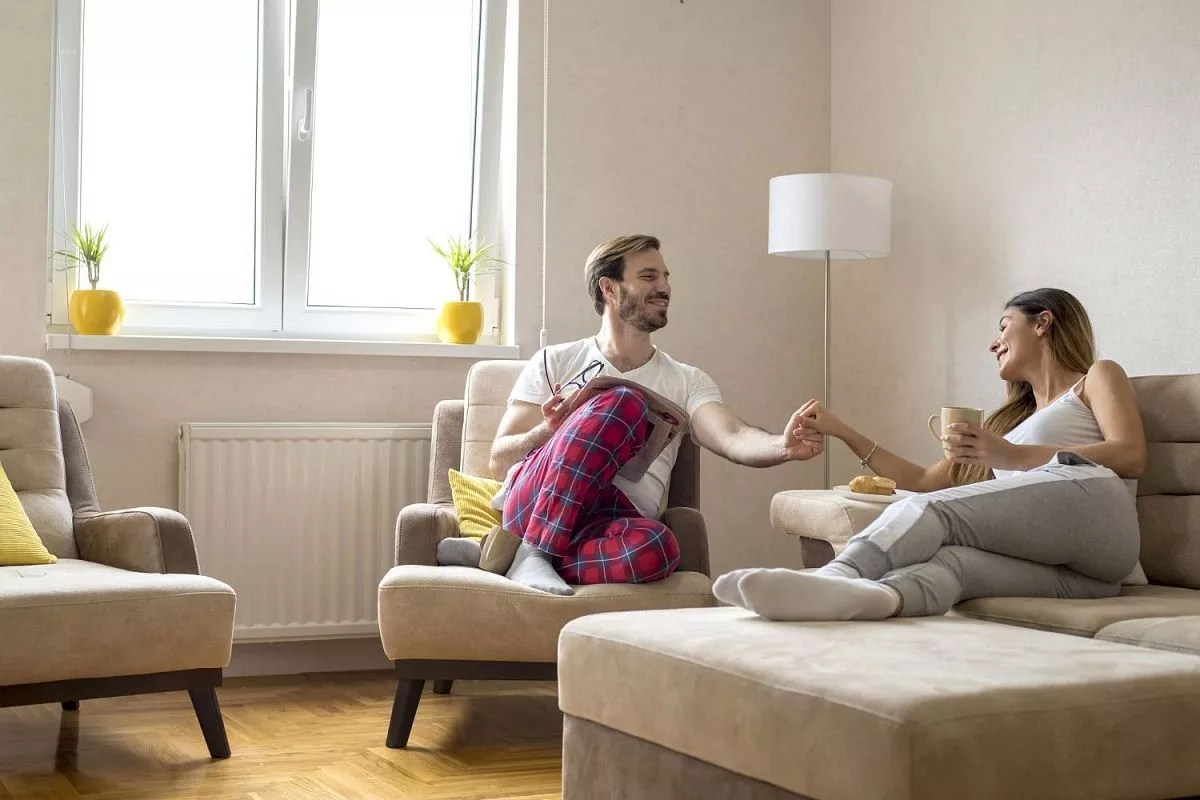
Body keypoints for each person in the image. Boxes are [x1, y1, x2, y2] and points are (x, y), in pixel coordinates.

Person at [714, 287, 1148, 621]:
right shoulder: (1008, 426)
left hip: (1103, 523)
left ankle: (834, 576)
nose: (994, 342)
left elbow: (1130, 455)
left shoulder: (1096, 377)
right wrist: (842, 431)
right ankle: (865, 598)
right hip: (1088, 578)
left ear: (1043, 322)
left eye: (1004, 326)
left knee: (932, 512)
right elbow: (922, 481)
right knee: (952, 564)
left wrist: (1012, 456)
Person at [438, 234, 823, 595]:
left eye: (666, 277)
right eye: (649, 276)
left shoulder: (687, 380)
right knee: (625, 402)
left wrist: (782, 446)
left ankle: (510, 557)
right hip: (538, 500)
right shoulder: (554, 361)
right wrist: (548, 431)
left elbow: (732, 436)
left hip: (613, 521)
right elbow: (499, 463)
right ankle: (536, 549)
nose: (665, 287)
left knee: (659, 548)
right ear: (609, 288)